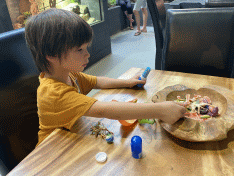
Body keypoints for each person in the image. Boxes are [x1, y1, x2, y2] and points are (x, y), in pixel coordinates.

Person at [25, 8, 186, 147]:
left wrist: (127, 82)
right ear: (51, 55)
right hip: (52, 152)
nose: (88, 54)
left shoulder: (68, 73)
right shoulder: (53, 93)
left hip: (71, 138)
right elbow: (106, 110)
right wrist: (160, 110)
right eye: (79, 50)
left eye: (86, 47)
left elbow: (97, 81)